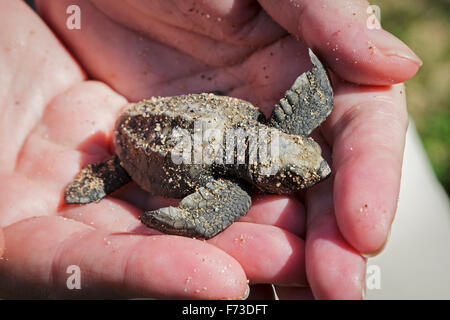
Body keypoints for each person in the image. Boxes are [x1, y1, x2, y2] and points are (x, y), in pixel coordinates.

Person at [0, 0, 423, 299]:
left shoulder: (269, 136)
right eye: (295, 175)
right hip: (139, 148)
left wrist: (323, 63)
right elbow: (198, 220)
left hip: (158, 114)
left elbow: (318, 96)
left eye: (302, 157)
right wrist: (174, 219)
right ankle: (111, 173)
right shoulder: (235, 192)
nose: (317, 170)